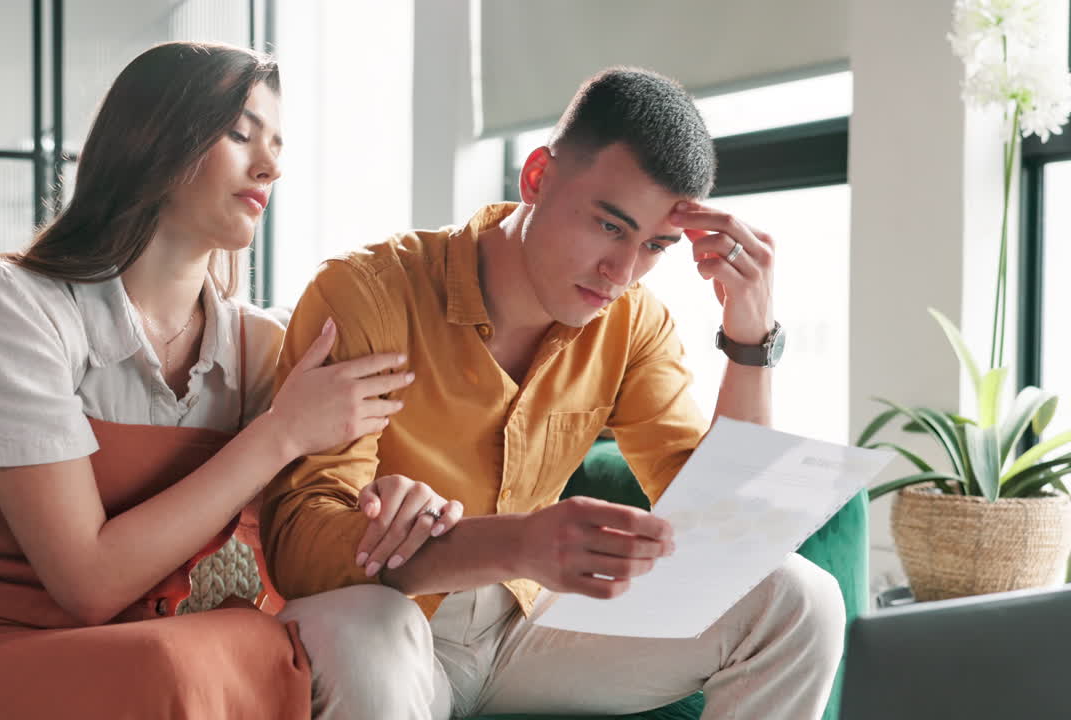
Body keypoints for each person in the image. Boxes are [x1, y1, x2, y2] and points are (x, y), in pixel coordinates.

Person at [0, 41, 457, 720]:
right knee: (186, 660)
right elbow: (88, 581)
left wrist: (389, 503)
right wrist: (280, 435)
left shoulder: (261, 349)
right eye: (239, 133)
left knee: (330, 627)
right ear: (152, 139)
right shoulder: (5, 305)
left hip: (152, 659)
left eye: (277, 143)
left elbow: (316, 523)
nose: (270, 165)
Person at [261, 67, 845, 720]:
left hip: (526, 630)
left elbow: (729, 539)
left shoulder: (631, 323)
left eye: (655, 245)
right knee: (362, 625)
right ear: (536, 176)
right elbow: (301, 556)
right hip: (397, 622)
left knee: (800, 599)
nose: (621, 273)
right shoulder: (370, 294)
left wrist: (750, 338)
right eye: (608, 225)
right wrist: (517, 543)